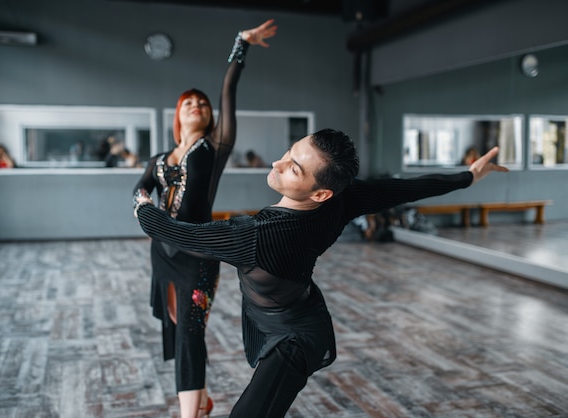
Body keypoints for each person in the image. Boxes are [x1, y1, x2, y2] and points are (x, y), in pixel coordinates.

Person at [134, 128, 508, 417]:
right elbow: (402, 189)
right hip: (293, 311)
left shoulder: (255, 236)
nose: (278, 164)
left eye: (294, 169)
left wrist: (142, 203)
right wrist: (467, 177)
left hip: (295, 340)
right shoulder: (341, 200)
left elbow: (176, 232)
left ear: (320, 193)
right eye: (289, 152)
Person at [132, 19, 277, 418]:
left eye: (202, 103)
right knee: (182, 332)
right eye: (188, 103)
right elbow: (140, 190)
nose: (197, 105)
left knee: (192, 333)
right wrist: (143, 208)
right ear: (178, 114)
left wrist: (241, 45)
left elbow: (228, 90)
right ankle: (202, 401)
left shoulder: (214, 147)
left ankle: (188, 414)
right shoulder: (159, 159)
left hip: (199, 253)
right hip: (163, 254)